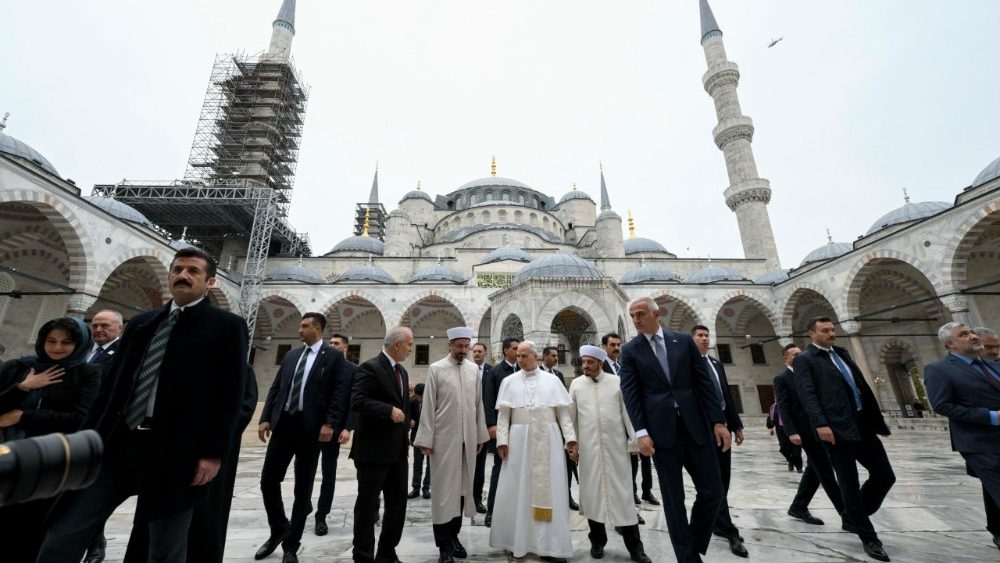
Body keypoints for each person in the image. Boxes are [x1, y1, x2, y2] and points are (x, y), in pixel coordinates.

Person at [38, 247, 249, 563]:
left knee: (165, 548)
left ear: (210, 282)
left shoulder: (227, 327)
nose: (183, 275)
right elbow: (112, 387)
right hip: (119, 445)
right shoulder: (142, 323)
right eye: (177, 269)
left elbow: (229, 395)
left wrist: (213, 453)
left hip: (175, 452)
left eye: (193, 271)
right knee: (63, 535)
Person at [618, 296, 729, 563]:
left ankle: (692, 543)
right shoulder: (631, 351)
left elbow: (704, 384)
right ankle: (687, 558)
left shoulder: (683, 342)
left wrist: (718, 421)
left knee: (713, 491)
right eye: (632, 316)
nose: (635, 320)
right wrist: (641, 432)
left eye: (641, 314)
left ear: (657, 314)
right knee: (673, 498)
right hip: (661, 433)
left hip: (695, 427)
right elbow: (631, 395)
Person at [124, 365, 258, 563]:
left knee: (204, 520)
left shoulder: (239, 368)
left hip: (210, 459)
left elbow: (242, 409)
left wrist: (211, 442)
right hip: (171, 454)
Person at [0, 317, 101, 562]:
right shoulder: (20, 367)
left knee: (34, 525)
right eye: (51, 341)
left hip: (50, 459)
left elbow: (78, 418)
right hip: (9, 456)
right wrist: (24, 387)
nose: (57, 347)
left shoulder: (87, 374)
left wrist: (23, 417)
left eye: (66, 342)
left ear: (79, 344)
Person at [794, 316, 894, 562]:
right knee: (848, 481)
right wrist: (820, 423)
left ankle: (853, 514)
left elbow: (860, 386)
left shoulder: (842, 353)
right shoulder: (805, 360)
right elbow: (807, 394)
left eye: (832, 329)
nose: (831, 333)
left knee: (884, 475)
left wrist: (875, 419)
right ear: (811, 334)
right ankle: (869, 538)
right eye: (825, 330)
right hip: (836, 429)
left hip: (861, 425)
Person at [255, 312, 345, 563]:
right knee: (268, 481)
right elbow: (277, 387)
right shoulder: (292, 355)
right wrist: (265, 417)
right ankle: (279, 527)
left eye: (304, 326)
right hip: (284, 424)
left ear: (318, 329)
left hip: (310, 429)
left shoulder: (333, 356)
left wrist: (329, 423)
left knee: (302, 487)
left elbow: (337, 393)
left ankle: (291, 545)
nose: (299, 330)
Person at [489, 341, 577, 562]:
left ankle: (551, 546)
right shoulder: (508, 382)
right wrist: (502, 441)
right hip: (518, 441)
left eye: (524, 356)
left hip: (548, 440)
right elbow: (503, 416)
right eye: (518, 356)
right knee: (517, 490)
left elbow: (563, 414)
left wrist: (571, 439)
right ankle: (516, 540)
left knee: (552, 489)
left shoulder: (553, 380)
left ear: (535, 356)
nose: (520, 360)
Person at [568, 345, 652, 563]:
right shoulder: (576, 385)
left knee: (623, 497)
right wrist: (572, 444)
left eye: (590, 362)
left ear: (600, 363)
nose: (585, 366)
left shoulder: (617, 382)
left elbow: (628, 414)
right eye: (583, 362)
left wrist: (635, 443)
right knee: (592, 495)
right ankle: (597, 541)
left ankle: (635, 547)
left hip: (616, 450)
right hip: (589, 450)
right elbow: (571, 418)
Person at [414, 327, 489, 563]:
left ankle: (454, 537)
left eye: (466, 346)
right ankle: (443, 546)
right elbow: (428, 407)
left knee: (462, 492)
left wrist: (479, 436)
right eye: (459, 346)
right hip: (443, 442)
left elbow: (478, 405)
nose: (463, 350)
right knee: (444, 494)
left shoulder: (473, 370)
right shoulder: (436, 369)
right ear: (450, 345)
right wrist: (425, 439)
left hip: (468, 441)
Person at [925, 323, 1000, 551]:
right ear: (950, 344)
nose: (973, 336)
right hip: (979, 443)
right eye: (964, 334)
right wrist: (992, 417)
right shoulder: (939, 369)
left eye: (972, 332)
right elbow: (942, 405)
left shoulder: (991, 365)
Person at [350, 326, 413, 563]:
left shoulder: (402, 372)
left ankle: (387, 553)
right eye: (409, 343)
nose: (411, 348)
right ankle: (363, 555)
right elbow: (357, 401)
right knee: (367, 507)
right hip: (372, 452)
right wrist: (388, 411)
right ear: (397, 344)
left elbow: (403, 408)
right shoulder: (370, 367)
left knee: (397, 506)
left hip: (397, 452)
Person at [691, 324, 748, 557]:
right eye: (700, 336)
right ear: (691, 339)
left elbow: (725, 395)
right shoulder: (688, 365)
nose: (704, 339)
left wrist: (736, 425)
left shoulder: (715, 364)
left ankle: (717, 520)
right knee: (712, 482)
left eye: (706, 335)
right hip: (704, 430)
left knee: (723, 479)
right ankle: (727, 528)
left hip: (723, 427)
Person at [773, 343, 845, 527]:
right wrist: (791, 431)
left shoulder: (808, 374)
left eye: (800, 354)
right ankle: (848, 515)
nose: (798, 357)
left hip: (820, 428)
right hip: (805, 432)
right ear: (786, 358)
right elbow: (783, 406)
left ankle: (798, 506)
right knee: (826, 472)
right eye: (794, 355)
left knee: (815, 469)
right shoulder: (782, 378)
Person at [83, 309, 124, 563]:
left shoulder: (122, 353)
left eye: (105, 326)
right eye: (95, 325)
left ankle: (95, 543)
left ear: (119, 328)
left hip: (100, 430)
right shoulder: (83, 351)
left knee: (88, 492)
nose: (98, 329)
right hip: (74, 426)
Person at [315, 332, 360, 536]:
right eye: (330, 342)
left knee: (328, 473)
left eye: (337, 343)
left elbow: (354, 401)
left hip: (335, 428)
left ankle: (321, 515)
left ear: (345, 348)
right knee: (303, 470)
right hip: (312, 427)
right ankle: (303, 505)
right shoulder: (319, 365)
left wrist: (348, 427)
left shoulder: (352, 370)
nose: (332, 346)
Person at [482, 336, 520, 527]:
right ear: (506, 350)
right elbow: (488, 401)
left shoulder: (523, 370)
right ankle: (492, 511)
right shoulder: (496, 372)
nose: (518, 351)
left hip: (521, 428)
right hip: (502, 428)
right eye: (514, 348)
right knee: (500, 468)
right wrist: (491, 425)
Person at [542, 344, 579, 512]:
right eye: (553, 356)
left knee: (566, 464)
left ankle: (567, 495)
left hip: (559, 425)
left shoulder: (558, 374)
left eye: (557, 356)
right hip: (544, 425)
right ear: (544, 357)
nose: (556, 358)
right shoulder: (538, 375)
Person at [471, 341, 492, 513]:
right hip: (466, 424)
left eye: (479, 351)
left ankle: (477, 499)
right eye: (474, 351)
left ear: (485, 353)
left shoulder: (491, 372)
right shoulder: (465, 370)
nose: (476, 354)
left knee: (479, 465)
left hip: (482, 426)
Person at [408, 383, 431, 500]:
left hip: (430, 438)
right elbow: (409, 416)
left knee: (430, 464)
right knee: (417, 463)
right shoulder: (412, 402)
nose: (420, 399)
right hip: (417, 437)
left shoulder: (432, 402)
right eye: (418, 397)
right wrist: (410, 420)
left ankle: (426, 488)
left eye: (422, 397)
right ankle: (415, 488)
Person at [766, 398, 802, 472]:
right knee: (783, 449)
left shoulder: (791, 404)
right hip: (780, 431)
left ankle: (799, 467)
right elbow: (770, 418)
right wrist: (770, 427)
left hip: (793, 429)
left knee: (796, 449)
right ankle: (791, 461)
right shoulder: (773, 407)